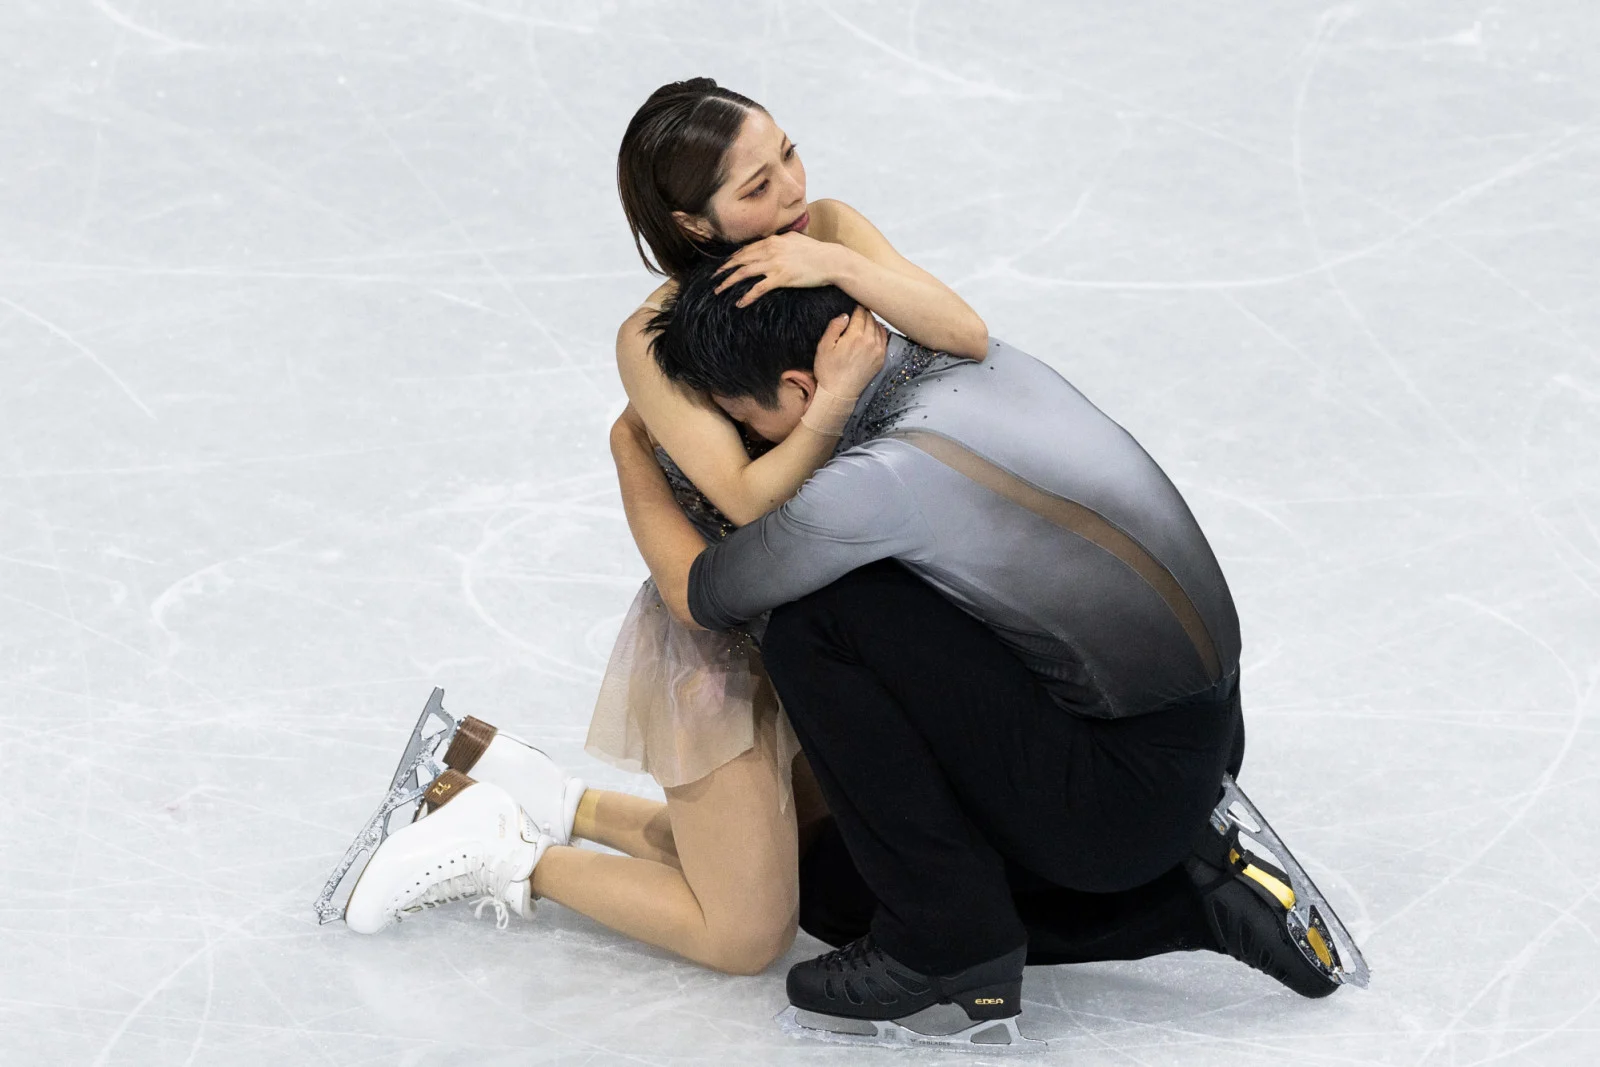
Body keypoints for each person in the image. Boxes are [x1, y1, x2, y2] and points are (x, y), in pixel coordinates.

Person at [322, 77, 988, 976]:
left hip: (844, 619)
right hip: (724, 638)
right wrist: (832, 401)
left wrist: (839, 266)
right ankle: (503, 850)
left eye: (789, 154)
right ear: (694, 222)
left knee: (803, 862)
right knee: (746, 935)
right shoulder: (655, 337)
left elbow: (966, 333)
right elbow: (749, 501)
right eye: (757, 188)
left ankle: (555, 798)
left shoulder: (827, 229)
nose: (792, 191)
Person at [618, 254, 1370, 1048]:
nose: (749, 447)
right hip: (1200, 732)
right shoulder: (967, 359)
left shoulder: (875, 481)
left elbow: (705, 592)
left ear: (806, 389)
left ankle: (949, 950)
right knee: (838, 890)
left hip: (1119, 794)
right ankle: (1192, 889)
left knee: (819, 618)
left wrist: (630, 446)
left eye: (747, 421)